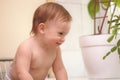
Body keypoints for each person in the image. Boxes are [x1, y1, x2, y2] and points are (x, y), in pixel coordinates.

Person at [4, 2, 72, 80]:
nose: (63, 39)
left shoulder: (56, 50)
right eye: (60, 33)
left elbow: (59, 69)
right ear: (42, 28)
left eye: (65, 35)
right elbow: (22, 73)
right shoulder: (26, 47)